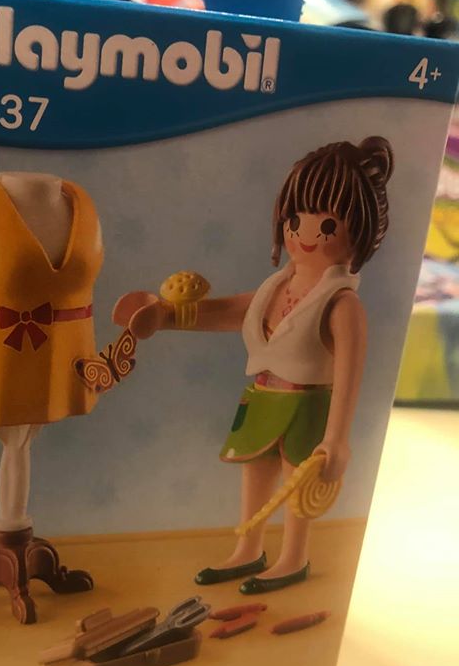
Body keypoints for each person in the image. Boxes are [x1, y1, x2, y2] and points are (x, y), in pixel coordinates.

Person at [114, 136, 393, 593]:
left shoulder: (343, 304)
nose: (305, 234)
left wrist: (337, 439)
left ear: (358, 232)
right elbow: (230, 311)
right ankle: (249, 548)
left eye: (326, 224)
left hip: (307, 405)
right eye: (295, 219)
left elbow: (350, 375)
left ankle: (294, 556)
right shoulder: (275, 287)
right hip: (262, 395)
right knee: (256, 470)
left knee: (297, 483)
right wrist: (166, 316)